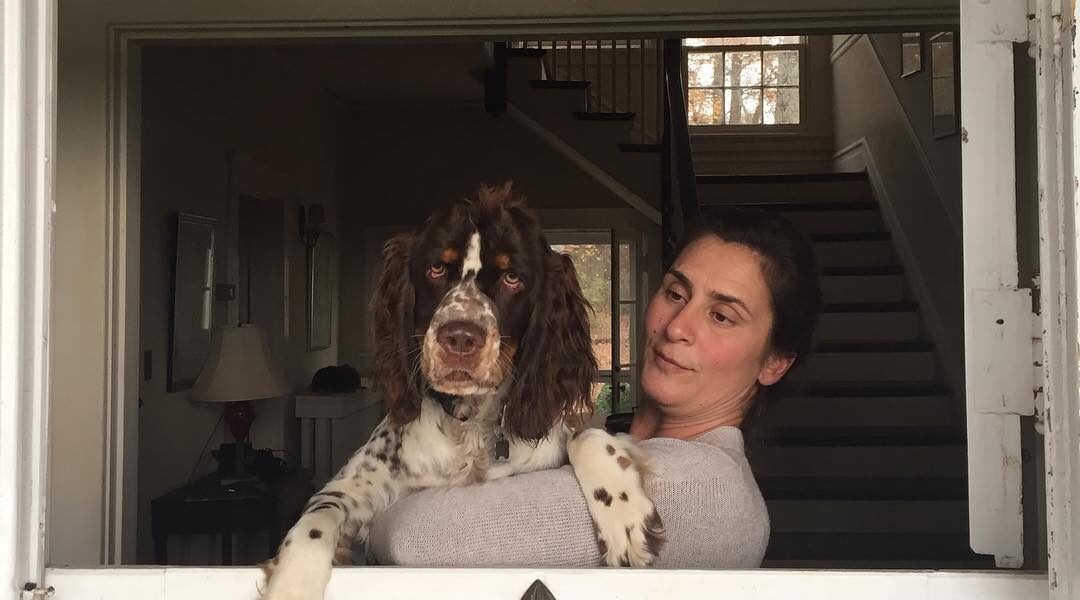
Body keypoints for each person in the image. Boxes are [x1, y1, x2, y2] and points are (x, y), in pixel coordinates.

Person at [364, 207, 822, 568]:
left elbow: (417, 537)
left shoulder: (703, 489)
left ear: (775, 363)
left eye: (722, 316)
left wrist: (366, 509)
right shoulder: (596, 438)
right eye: (676, 294)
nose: (678, 326)